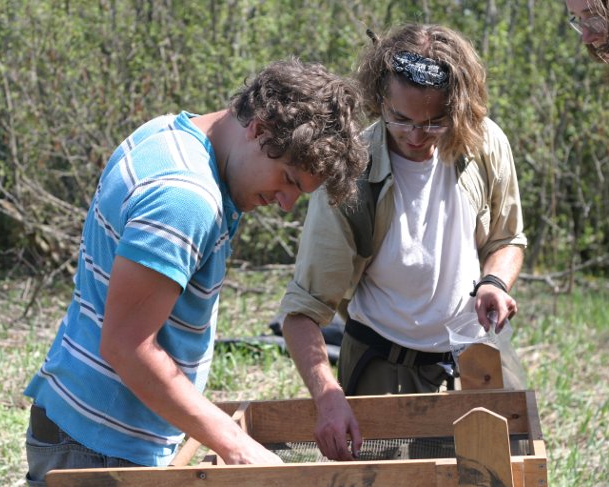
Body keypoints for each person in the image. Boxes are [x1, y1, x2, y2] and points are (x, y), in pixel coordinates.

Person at [23, 58, 368, 484]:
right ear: (258, 129)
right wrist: (236, 445)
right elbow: (127, 346)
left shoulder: (171, 132)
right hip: (99, 448)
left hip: (100, 428)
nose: (285, 203)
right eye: (289, 180)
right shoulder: (185, 198)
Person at [279, 24, 528, 461]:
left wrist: (495, 282)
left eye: (434, 122)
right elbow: (303, 311)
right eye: (401, 120)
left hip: (476, 364)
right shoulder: (350, 172)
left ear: (460, 107)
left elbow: (508, 239)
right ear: (380, 100)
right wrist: (327, 396)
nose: (416, 136)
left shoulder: (485, 143)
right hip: (383, 367)